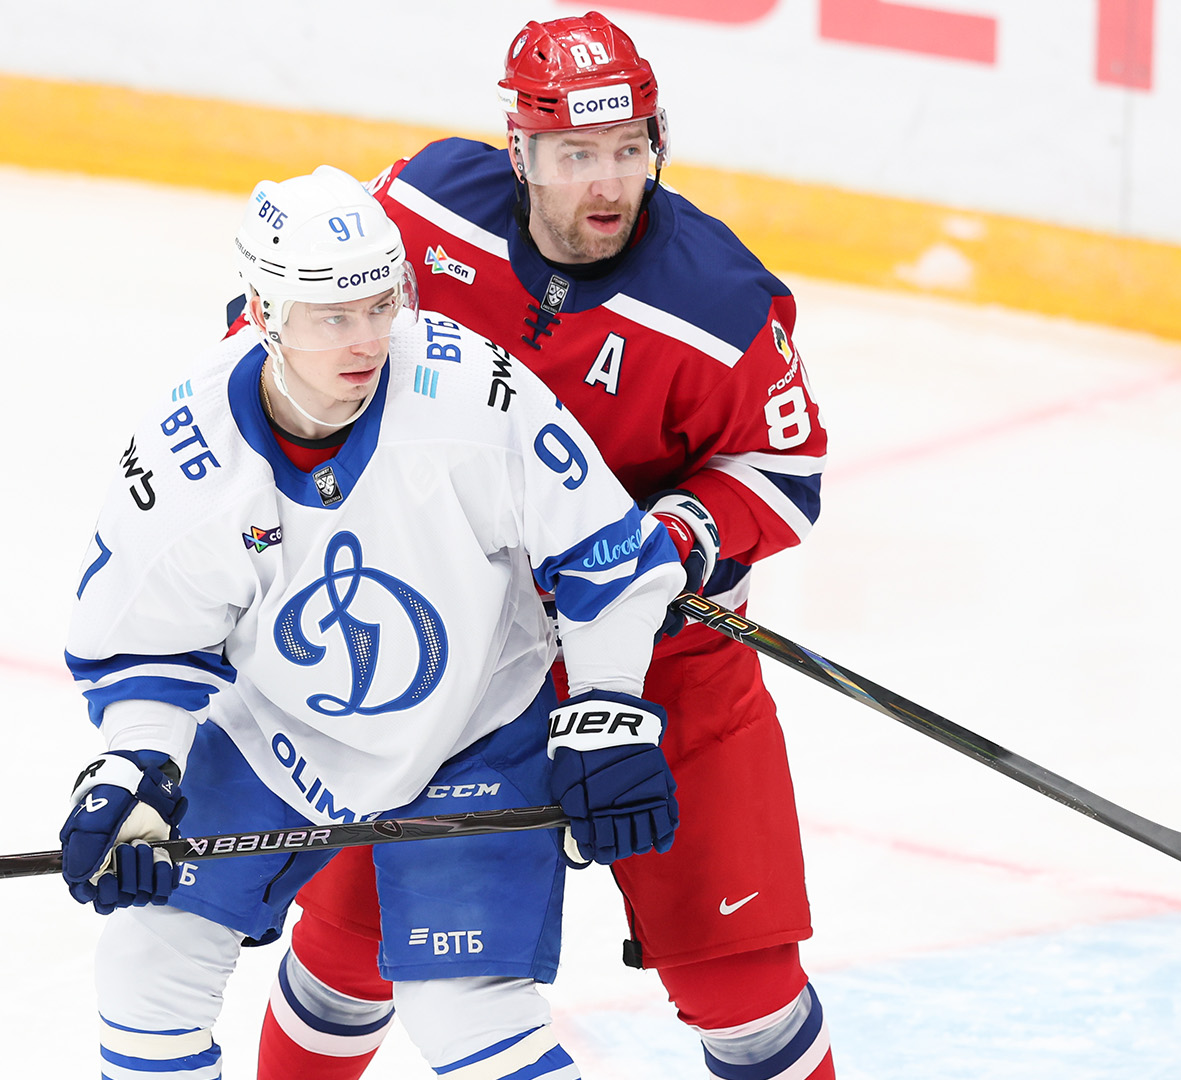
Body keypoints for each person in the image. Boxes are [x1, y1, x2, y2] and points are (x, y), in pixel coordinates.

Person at [256, 13, 836, 1080]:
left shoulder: (723, 306)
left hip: (667, 669)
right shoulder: (425, 208)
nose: (608, 184)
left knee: (745, 998)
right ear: (520, 152)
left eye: (627, 150)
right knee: (346, 958)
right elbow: (298, 328)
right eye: (575, 155)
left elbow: (784, 474)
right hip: (446, 659)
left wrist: (664, 544)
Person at [58, 164, 687, 1080]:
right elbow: (146, 646)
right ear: (264, 312)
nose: (366, 340)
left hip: (475, 724)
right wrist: (136, 766)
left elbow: (608, 555)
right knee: (148, 964)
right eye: (331, 317)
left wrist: (609, 705)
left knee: (467, 1009)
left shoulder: (473, 394)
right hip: (273, 727)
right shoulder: (187, 459)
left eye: (381, 305)